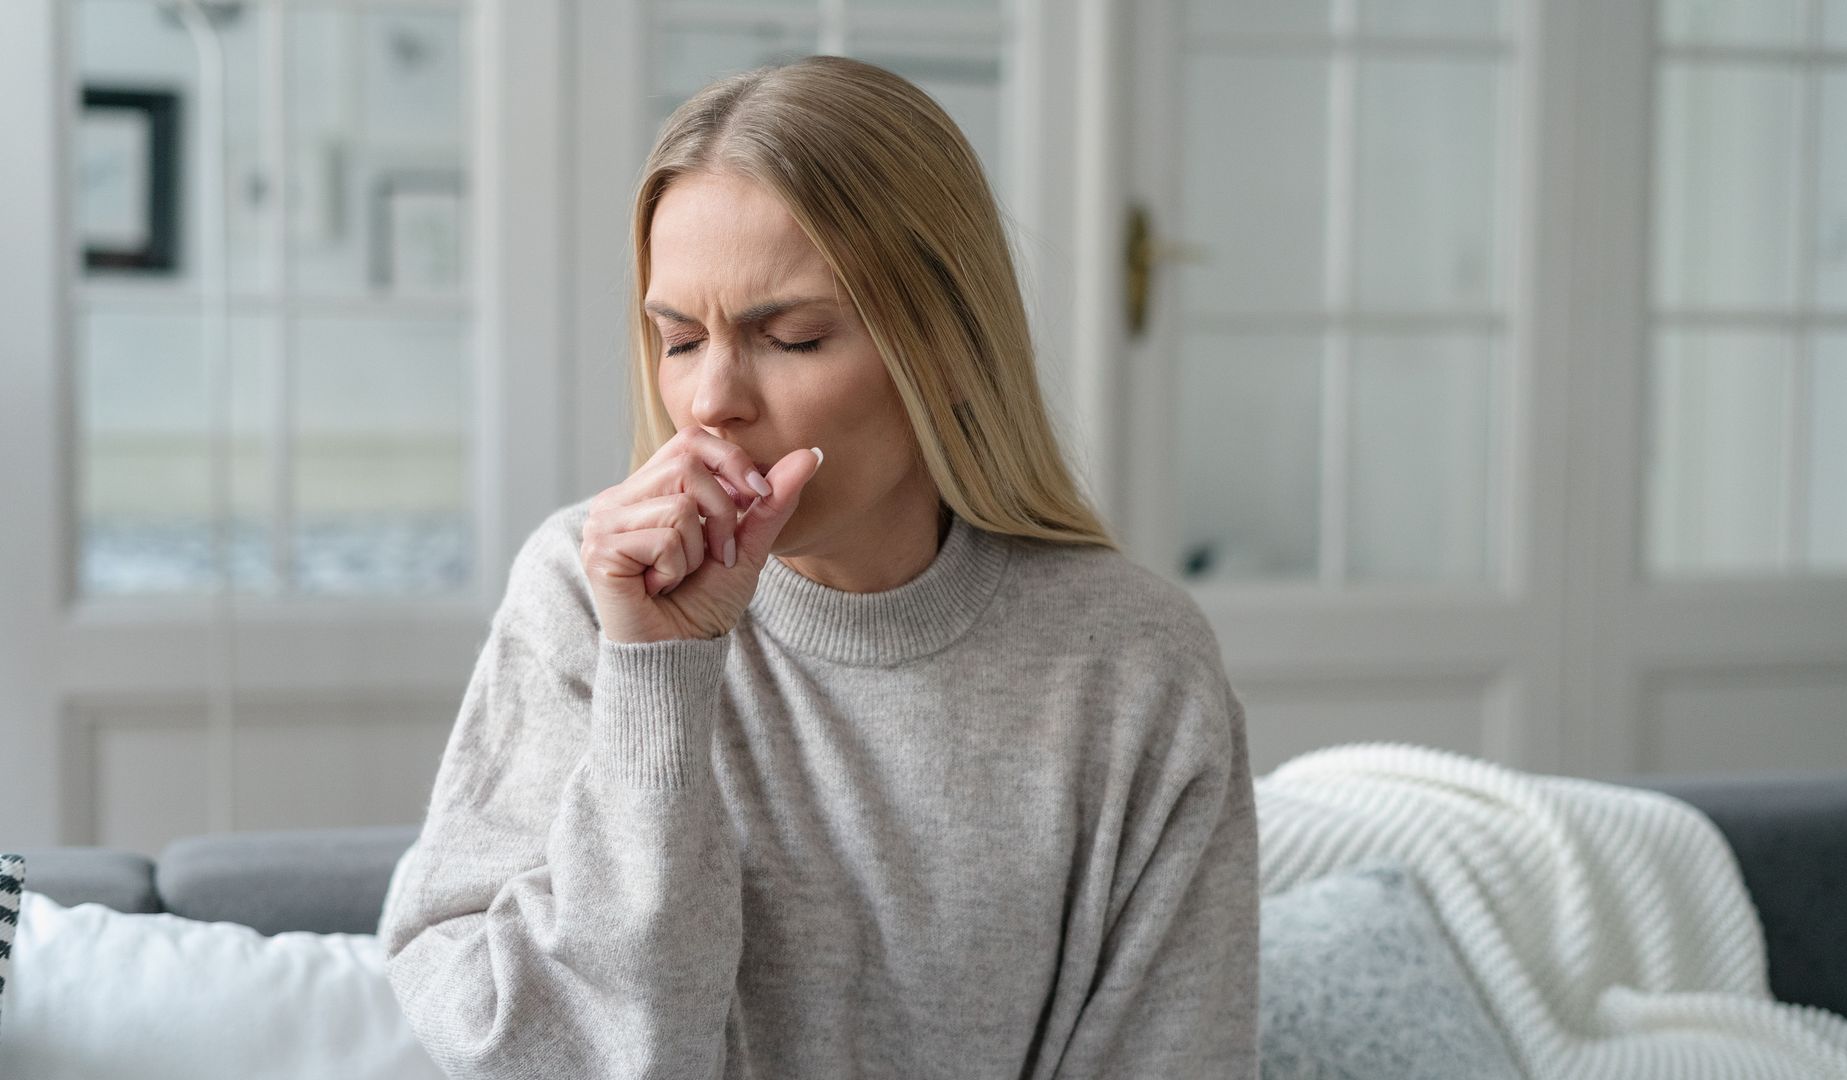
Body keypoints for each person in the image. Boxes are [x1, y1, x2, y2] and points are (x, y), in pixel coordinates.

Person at [379, 54, 1257, 1079]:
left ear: (948, 348)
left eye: (791, 338)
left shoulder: (1135, 663)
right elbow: (541, 1054)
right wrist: (656, 677)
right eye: (678, 340)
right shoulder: (584, 596)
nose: (711, 401)